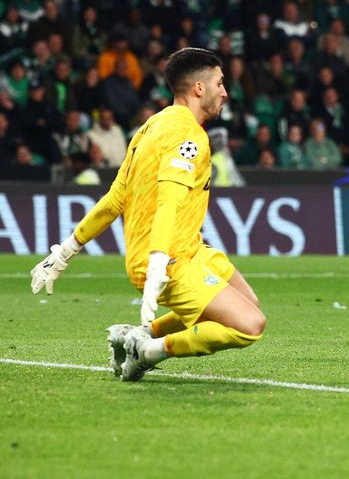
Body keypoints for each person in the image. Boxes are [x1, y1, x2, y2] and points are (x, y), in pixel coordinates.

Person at [29, 48, 266, 381]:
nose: (225, 92)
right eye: (219, 82)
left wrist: (65, 252)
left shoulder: (149, 127)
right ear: (199, 88)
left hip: (188, 249)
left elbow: (115, 199)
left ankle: (136, 335)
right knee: (249, 326)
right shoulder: (189, 136)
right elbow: (168, 200)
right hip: (169, 259)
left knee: (247, 301)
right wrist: (158, 263)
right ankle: (150, 351)